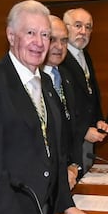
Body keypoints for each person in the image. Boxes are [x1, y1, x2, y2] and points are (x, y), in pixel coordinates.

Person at [0, 0, 94, 214]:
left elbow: (56, 156)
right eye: (30, 33)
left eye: (45, 35)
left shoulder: (46, 85)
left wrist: (67, 204)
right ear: (11, 36)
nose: (39, 42)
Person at [61, 8, 108, 176]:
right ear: (65, 28)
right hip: (71, 138)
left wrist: (99, 120)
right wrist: (83, 130)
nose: (83, 31)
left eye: (88, 27)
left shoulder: (84, 55)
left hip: (88, 138)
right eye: (78, 25)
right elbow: (62, 105)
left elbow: (91, 94)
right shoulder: (58, 57)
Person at [43, 15, 79, 190]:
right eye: (52, 40)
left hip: (68, 174)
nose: (59, 46)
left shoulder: (66, 76)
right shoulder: (32, 82)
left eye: (64, 41)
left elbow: (71, 127)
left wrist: (74, 164)